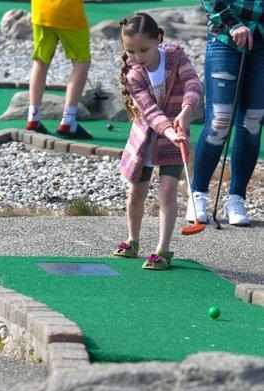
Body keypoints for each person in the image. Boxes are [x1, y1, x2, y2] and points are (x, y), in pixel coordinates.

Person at [113, 13, 202, 270]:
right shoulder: (133, 75)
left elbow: (194, 83)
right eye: (130, 51)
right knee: (136, 193)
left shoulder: (175, 56)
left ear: (159, 39)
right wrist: (169, 131)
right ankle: (133, 240)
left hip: (176, 135)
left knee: (167, 191)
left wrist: (186, 111)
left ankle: (163, 249)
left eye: (144, 49)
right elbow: (150, 111)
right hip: (147, 138)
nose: (138, 57)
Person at [186, 0, 264, 225]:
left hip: (261, 41)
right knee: (219, 120)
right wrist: (232, 24)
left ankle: (236, 199)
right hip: (225, 38)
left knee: (252, 122)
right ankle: (197, 194)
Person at [26, 0, 92, 139]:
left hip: (41, 10)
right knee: (81, 63)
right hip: (69, 12)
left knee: (41, 61)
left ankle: (33, 117)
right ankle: (68, 120)